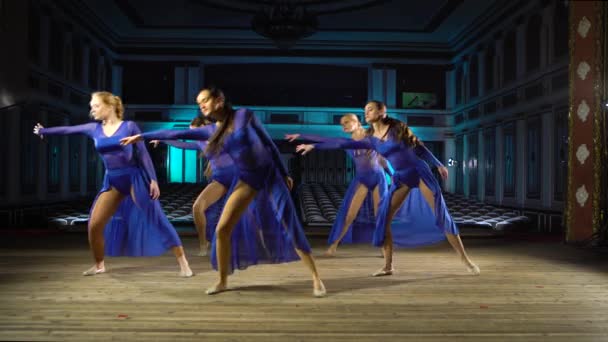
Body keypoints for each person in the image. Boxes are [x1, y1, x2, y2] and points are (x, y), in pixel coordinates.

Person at [120, 87, 326, 297]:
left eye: (205, 100)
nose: (201, 105)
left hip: (270, 175)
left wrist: (284, 173)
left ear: (219, 100)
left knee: (289, 224)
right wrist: (141, 136)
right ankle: (222, 281)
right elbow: (177, 133)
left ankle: (316, 278)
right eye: (198, 103)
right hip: (247, 179)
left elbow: (268, 143)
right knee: (222, 230)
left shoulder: (244, 115)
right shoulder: (211, 131)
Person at [295, 100, 480, 277]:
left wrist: (438, 164)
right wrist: (311, 144)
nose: (366, 112)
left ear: (382, 112)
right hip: (401, 177)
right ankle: (388, 266)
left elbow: (419, 147)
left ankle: (466, 260)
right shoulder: (371, 139)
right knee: (384, 218)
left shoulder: (397, 128)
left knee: (441, 214)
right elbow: (341, 143)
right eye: (365, 110)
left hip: (419, 171)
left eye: (370, 109)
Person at [33, 91, 193, 277]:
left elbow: (143, 154)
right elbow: (69, 130)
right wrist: (44, 131)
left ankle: (183, 263)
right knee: (94, 224)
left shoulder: (129, 126)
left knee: (156, 218)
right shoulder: (94, 129)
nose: (92, 109)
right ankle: (99, 265)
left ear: (109, 106)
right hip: (113, 180)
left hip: (134, 178)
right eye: (91, 106)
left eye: (96, 105)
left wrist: (154, 180)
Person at [285, 114, 391, 256]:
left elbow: (383, 159)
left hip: (378, 177)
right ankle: (334, 245)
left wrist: (392, 175)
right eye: (342, 124)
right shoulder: (346, 141)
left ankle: (384, 248)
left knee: (380, 215)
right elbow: (327, 141)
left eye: (347, 122)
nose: (344, 126)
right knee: (349, 215)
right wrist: (307, 141)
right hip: (362, 179)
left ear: (357, 122)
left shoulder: (372, 136)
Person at [150, 116, 237, 257]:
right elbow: (183, 145)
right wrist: (163, 140)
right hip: (220, 180)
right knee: (198, 208)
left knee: (243, 213)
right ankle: (204, 243)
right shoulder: (200, 143)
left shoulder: (223, 136)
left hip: (236, 178)